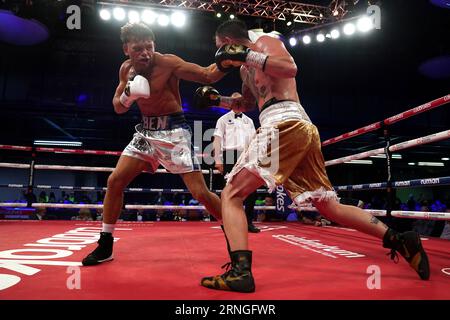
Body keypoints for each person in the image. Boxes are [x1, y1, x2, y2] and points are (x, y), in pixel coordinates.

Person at [195, 20, 430, 292]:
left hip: (284, 124)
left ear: (228, 41)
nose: (221, 56)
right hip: (295, 128)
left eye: (220, 48)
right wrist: (217, 100)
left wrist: (247, 54)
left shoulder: (264, 43)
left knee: (231, 195)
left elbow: (290, 68)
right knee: (327, 206)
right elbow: (248, 103)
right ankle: (400, 239)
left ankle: (240, 272)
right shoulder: (247, 70)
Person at [82, 22, 226, 266]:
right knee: (115, 181)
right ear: (126, 49)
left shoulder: (167, 62)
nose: (145, 53)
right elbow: (117, 106)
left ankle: (234, 228)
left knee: (199, 192)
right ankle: (105, 244)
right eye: (138, 49)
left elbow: (207, 74)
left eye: (149, 47)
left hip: (174, 131)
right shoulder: (126, 68)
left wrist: (229, 59)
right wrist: (129, 94)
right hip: (146, 132)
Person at [213, 109, 260, 232]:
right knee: (229, 190)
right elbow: (217, 140)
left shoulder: (248, 121)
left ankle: (248, 222)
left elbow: (254, 140)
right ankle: (228, 222)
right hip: (229, 154)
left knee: (251, 189)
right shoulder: (223, 119)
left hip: (247, 154)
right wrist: (217, 160)